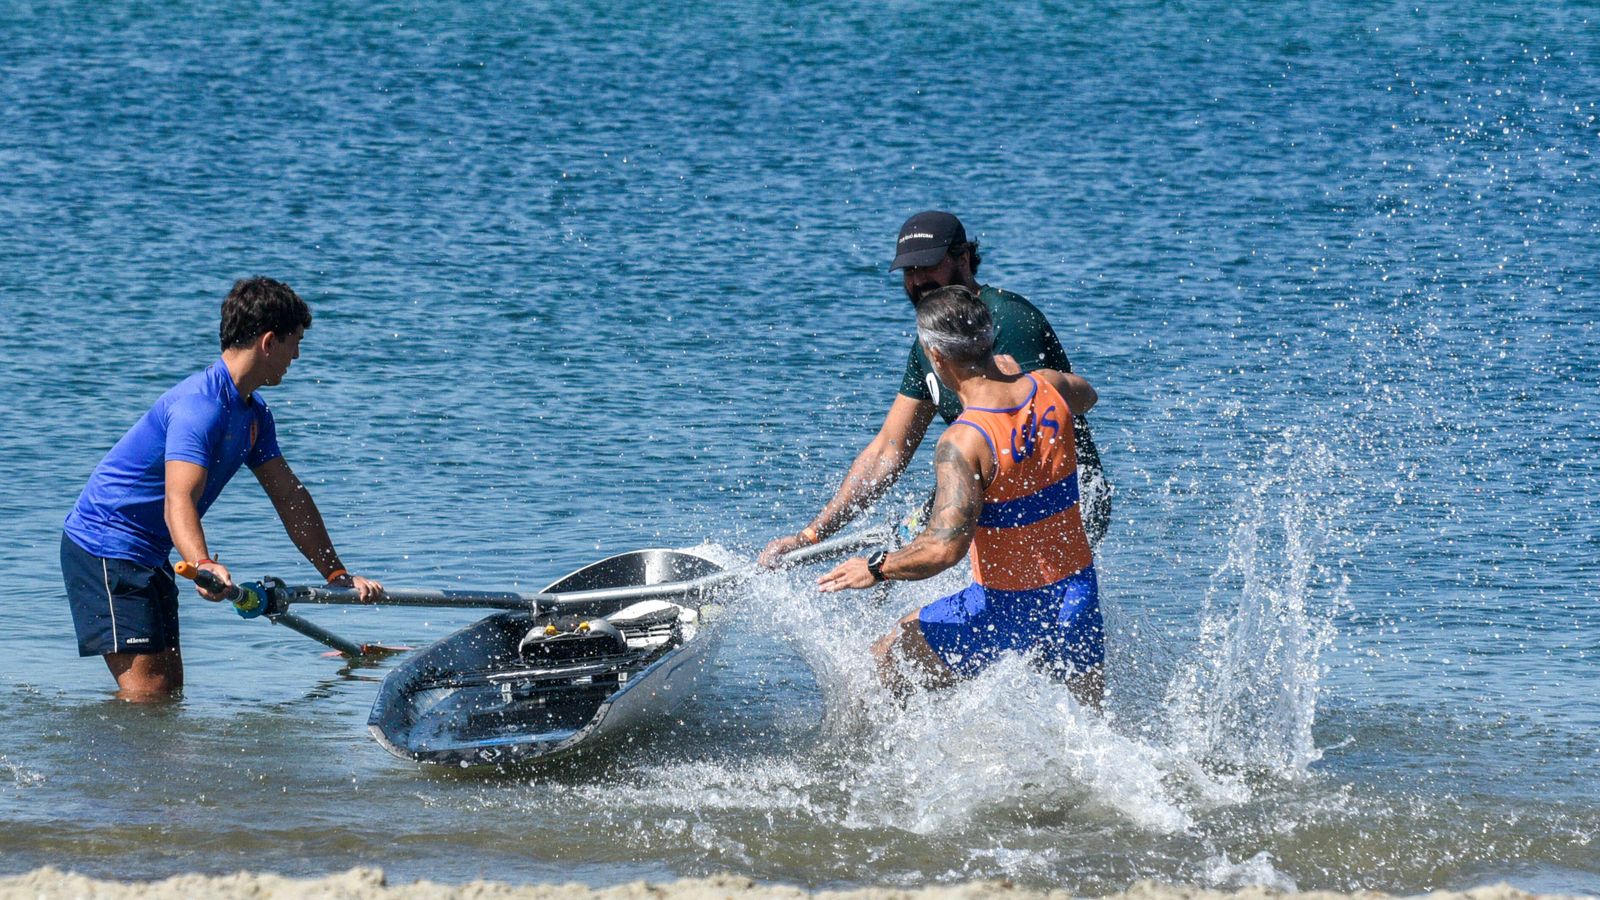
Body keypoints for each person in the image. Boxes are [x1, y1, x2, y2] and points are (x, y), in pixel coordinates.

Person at [61, 277, 382, 700]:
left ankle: (144, 768)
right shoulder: (200, 408)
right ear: (269, 342)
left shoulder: (254, 416)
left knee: (170, 691)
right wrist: (202, 562)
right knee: (148, 693)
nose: (297, 355)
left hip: (151, 552)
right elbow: (180, 497)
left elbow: (289, 497)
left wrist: (335, 572)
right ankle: (88, 765)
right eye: (295, 343)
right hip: (105, 547)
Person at [759, 210, 1108, 567]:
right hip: (992, 495)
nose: (918, 280)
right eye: (909, 271)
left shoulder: (1008, 320)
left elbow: (1035, 420)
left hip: (1062, 502)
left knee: (911, 559)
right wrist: (811, 534)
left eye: (929, 266)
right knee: (897, 550)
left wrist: (947, 526)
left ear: (965, 259)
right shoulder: (931, 345)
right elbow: (888, 451)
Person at [817, 286, 1104, 705]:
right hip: (1078, 597)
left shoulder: (965, 441)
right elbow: (1088, 396)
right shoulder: (1051, 388)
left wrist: (877, 568)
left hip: (1006, 610)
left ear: (935, 356)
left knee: (879, 665)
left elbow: (943, 550)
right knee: (1093, 737)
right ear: (988, 340)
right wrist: (1019, 383)